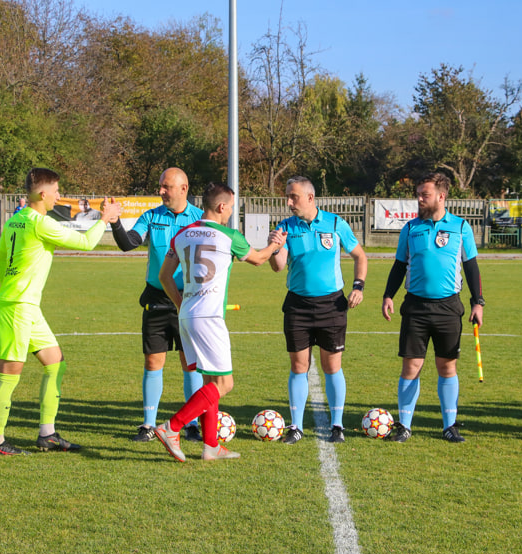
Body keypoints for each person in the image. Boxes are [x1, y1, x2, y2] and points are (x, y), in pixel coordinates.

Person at [0, 167, 121, 455]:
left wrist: (16, 288)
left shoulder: (16, 220)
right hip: (17, 307)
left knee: (55, 362)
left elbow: (0, 263)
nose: (59, 195)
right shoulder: (39, 223)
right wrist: (106, 218)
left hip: (24, 305)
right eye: (57, 191)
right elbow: (86, 242)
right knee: (9, 374)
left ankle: (47, 434)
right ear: (43, 193)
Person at [154, 183, 285, 462]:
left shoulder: (183, 234)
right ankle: (172, 427)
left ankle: (211, 445)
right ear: (222, 207)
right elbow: (260, 259)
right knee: (224, 384)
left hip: (187, 315)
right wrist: (276, 243)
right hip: (210, 318)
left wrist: (181, 303)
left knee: (210, 379)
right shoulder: (229, 235)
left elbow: (164, 277)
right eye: (232, 207)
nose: (231, 213)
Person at [381, 172, 484, 443]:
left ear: (441, 196)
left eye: (424, 194)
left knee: (446, 367)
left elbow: (471, 267)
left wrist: (478, 302)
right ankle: (404, 426)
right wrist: (388, 295)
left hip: (449, 307)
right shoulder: (410, 229)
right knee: (411, 366)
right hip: (415, 306)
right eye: (418, 194)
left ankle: (449, 425)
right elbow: (400, 265)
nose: (419, 199)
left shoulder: (461, 227)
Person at [267, 176, 368, 444]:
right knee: (299, 366)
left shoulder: (335, 223)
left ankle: (337, 424)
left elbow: (360, 256)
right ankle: (296, 426)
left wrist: (358, 286)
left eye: (294, 197)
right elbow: (278, 266)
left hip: (331, 305)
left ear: (310, 198)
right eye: (287, 197)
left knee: (331, 365)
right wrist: (275, 246)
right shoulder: (286, 227)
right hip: (297, 306)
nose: (289, 202)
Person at [110, 168, 205, 442]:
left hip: (188, 301)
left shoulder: (200, 219)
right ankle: (148, 425)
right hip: (156, 299)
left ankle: (192, 424)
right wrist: (116, 223)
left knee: (191, 364)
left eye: (167, 187)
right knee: (153, 362)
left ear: (184, 188)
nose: (161, 191)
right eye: (161, 186)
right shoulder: (151, 216)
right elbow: (129, 243)